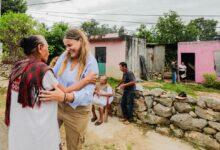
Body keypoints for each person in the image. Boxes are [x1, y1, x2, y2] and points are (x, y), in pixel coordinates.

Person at [5, 35, 96, 150]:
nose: (49, 52)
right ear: (40, 47)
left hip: (19, 131)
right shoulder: (43, 71)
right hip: (39, 136)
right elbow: (64, 91)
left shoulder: (18, 66)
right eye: (47, 47)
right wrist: (86, 80)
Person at [39, 29, 99, 150]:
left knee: (74, 145)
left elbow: (87, 95)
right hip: (58, 105)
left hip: (77, 112)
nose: (67, 49)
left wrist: (66, 96)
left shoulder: (91, 63)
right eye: (66, 46)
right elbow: (53, 75)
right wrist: (84, 81)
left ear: (80, 41)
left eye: (70, 45)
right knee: (48, 136)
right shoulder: (65, 55)